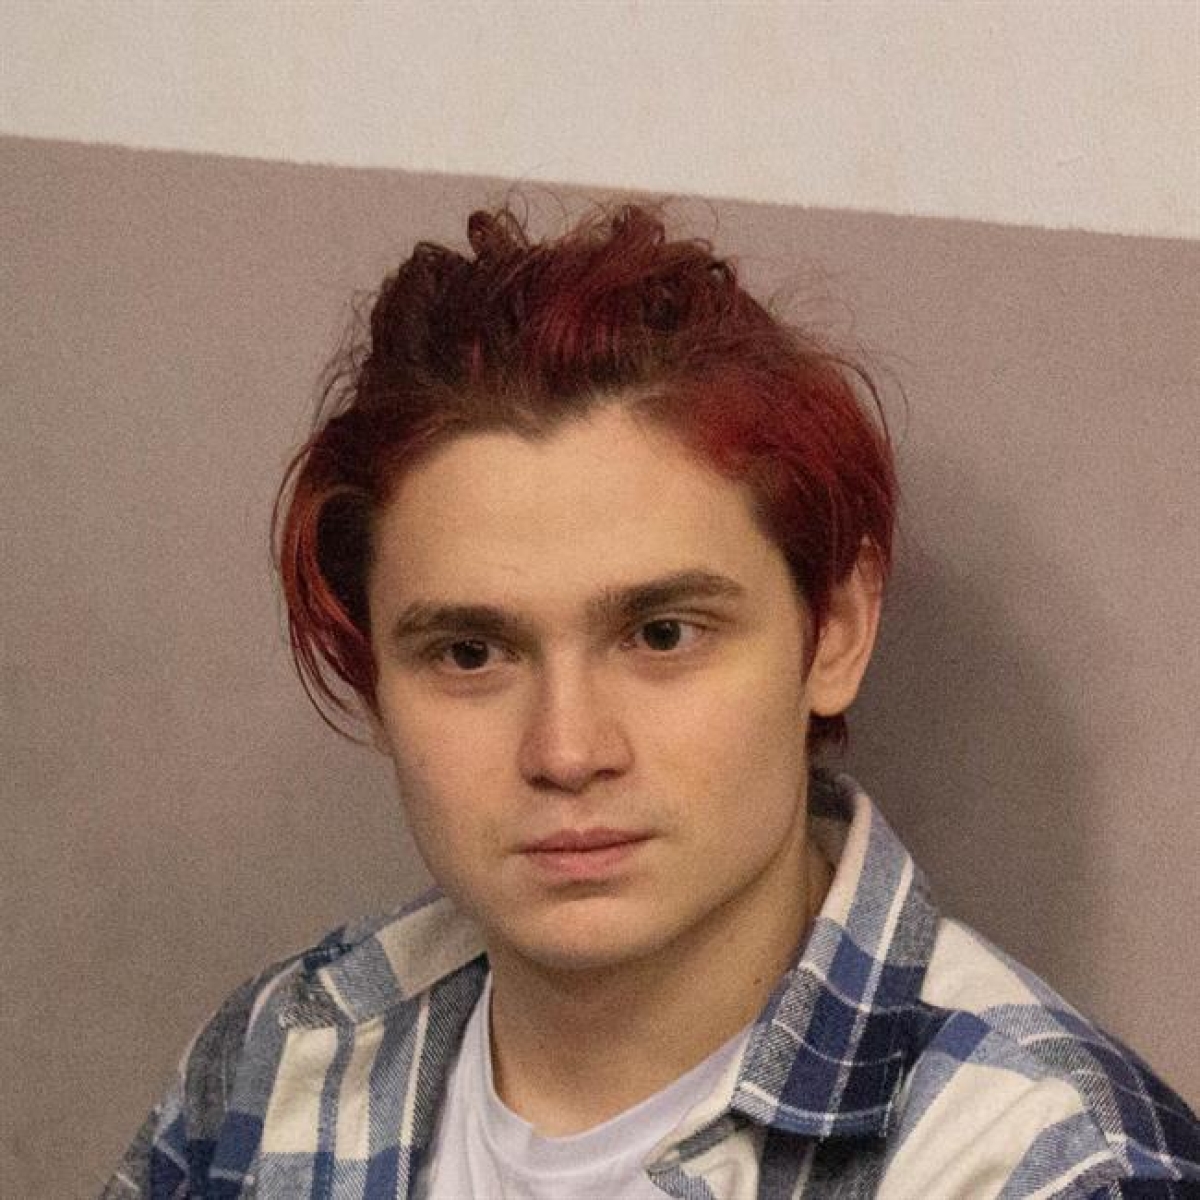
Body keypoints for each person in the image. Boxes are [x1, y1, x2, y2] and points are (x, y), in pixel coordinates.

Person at [104, 204, 1199, 1199]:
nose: (567, 750)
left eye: (662, 635)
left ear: (835, 630)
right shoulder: (275, 1062)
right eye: (471, 653)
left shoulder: (1052, 1166)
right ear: (375, 682)